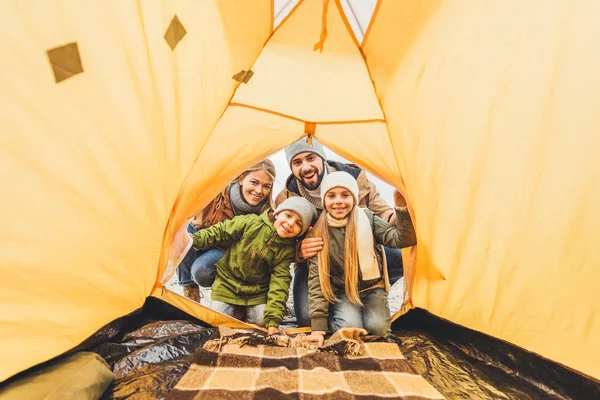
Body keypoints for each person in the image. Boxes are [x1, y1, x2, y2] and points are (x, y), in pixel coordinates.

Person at [275, 137, 405, 326]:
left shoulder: (354, 177)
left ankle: (367, 296)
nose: (305, 167)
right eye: (297, 162)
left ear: (322, 158)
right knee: (307, 319)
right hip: (317, 266)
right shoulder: (286, 197)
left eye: (310, 158)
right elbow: (278, 244)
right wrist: (299, 251)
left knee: (397, 253)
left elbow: (381, 210)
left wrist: (395, 217)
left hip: (359, 255)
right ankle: (341, 306)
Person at [303, 172, 416, 345]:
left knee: (378, 331)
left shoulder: (368, 219)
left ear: (354, 199)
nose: (338, 201)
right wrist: (318, 327)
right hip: (343, 291)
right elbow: (316, 280)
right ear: (324, 201)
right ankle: (337, 311)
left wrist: (401, 209)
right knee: (349, 330)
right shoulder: (318, 231)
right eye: (331, 196)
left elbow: (402, 239)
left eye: (345, 195)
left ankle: (362, 311)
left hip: (372, 288)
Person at [190, 197, 317, 332]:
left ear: (301, 231)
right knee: (215, 321)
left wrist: (273, 321)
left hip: (256, 292)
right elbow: (221, 231)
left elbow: (280, 284)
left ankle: (244, 313)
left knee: (261, 323)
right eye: (288, 215)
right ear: (277, 213)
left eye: (298, 223)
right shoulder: (251, 222)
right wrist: (195, 240)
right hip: (227, 284)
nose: (290, 223)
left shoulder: (286, 250)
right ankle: (237, 309)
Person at [178, 160, 276, 302]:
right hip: (202, 239)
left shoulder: (267, 214)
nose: (259, 191)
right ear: (241, 178)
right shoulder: (216, 192)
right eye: (254, 182)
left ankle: (229, 295)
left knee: (202, 271)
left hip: (226, 253)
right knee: (183, 232)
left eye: (266, 186)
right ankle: (190, 294)